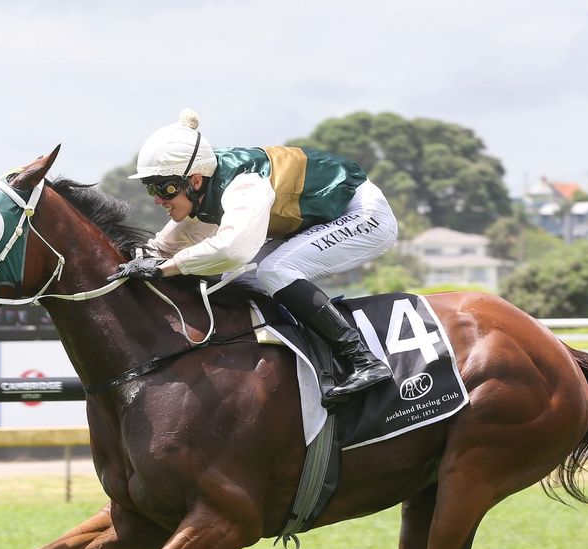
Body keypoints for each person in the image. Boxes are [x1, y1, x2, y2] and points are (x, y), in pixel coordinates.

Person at [110, 108, 398, 404]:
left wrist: (164, 269)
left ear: (195, 181)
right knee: (242, 279)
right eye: (151, 188)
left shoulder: (244, 186)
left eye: (164, 188)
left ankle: (361, 359)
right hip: (321, 219)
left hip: (363, 215)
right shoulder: (204, 183)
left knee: (274, 270)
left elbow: (231, 250)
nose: (158, 199)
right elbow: (168, 244)